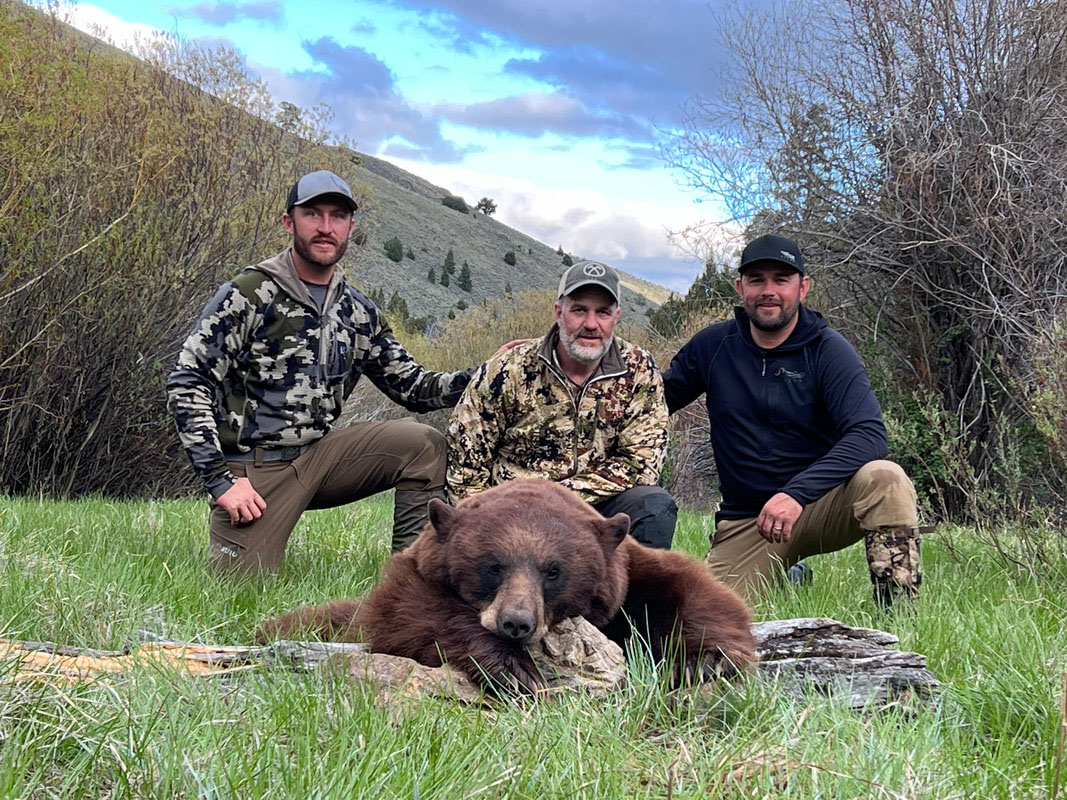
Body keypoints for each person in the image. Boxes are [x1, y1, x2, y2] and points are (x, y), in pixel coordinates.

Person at [166, 170, 473, 573]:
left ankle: (410, 577)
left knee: (423, 445)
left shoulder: (359, 312)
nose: (326, 227)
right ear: (289, 222)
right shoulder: (249, 294)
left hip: (321, 458)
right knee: (238, 595)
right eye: (313, 214)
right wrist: (221, 481)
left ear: (351, 227)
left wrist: (488, 372)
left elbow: (414, 388)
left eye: (338, 216)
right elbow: (188, 382)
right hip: (254, 474)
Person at [661, 234, 922, 608]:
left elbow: (869, 435)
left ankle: (899, 612)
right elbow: (654, 402)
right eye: (757, 280)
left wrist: (797, 493)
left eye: (781, 279)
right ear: (740, 288)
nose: (768, 290)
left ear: (803, 288)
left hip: (821, 505)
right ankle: (786, 574)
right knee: (704, 621)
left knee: (886, 479)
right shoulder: (713, 346)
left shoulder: (829, 351)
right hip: (749, 522)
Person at [446, 260, 677, 549]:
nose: (591, 324)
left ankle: (636, 595)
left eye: (602, 312)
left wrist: (557, 502)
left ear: (616, 317)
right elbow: (466, 460)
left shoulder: (640, 370)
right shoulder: (509, 369)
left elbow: (640, 463)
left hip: (595, 508)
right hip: (510, 513)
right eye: (579, 309)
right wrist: (483, 523)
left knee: (654, 505)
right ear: (559, 312)